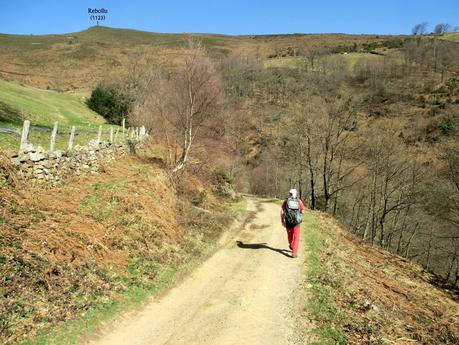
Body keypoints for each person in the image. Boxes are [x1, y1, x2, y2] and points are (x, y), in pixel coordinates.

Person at [281, 189, 304, 258]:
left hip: (288, 222)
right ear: (296, 194)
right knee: (296, 237)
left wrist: (282, 220)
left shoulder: (286, 201)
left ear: (290, 194)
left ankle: (291, 245)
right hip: (296, 222)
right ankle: (294, 253)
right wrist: (300, 217)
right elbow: (302, 210)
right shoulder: (299, 201)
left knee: (290, 235)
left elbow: (282, 211)